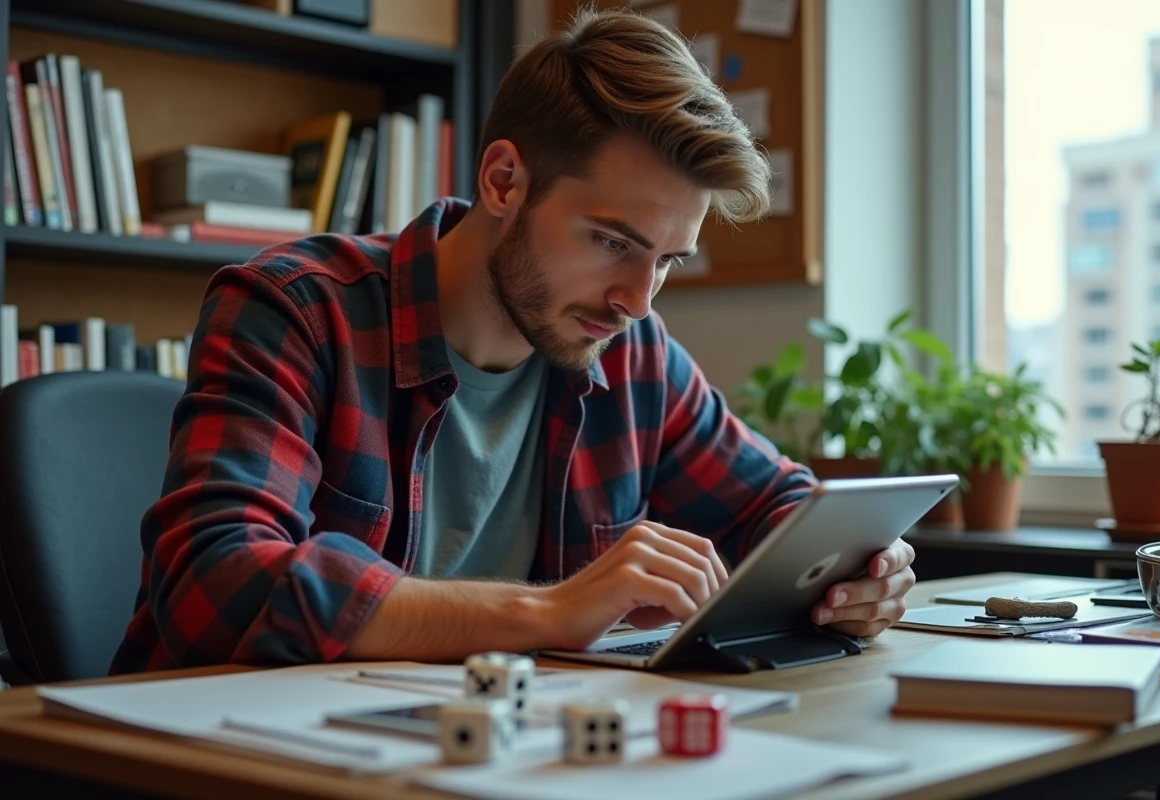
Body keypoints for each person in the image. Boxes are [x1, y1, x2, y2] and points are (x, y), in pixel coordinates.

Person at [110, 6, 915, 674]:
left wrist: (858, 575)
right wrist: (548, 611)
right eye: (612, 242)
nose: (637, 300)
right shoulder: (297, 311)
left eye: (667, 261)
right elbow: (213, 583)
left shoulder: (632, 352)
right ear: (503, 181)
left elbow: (781, 511)